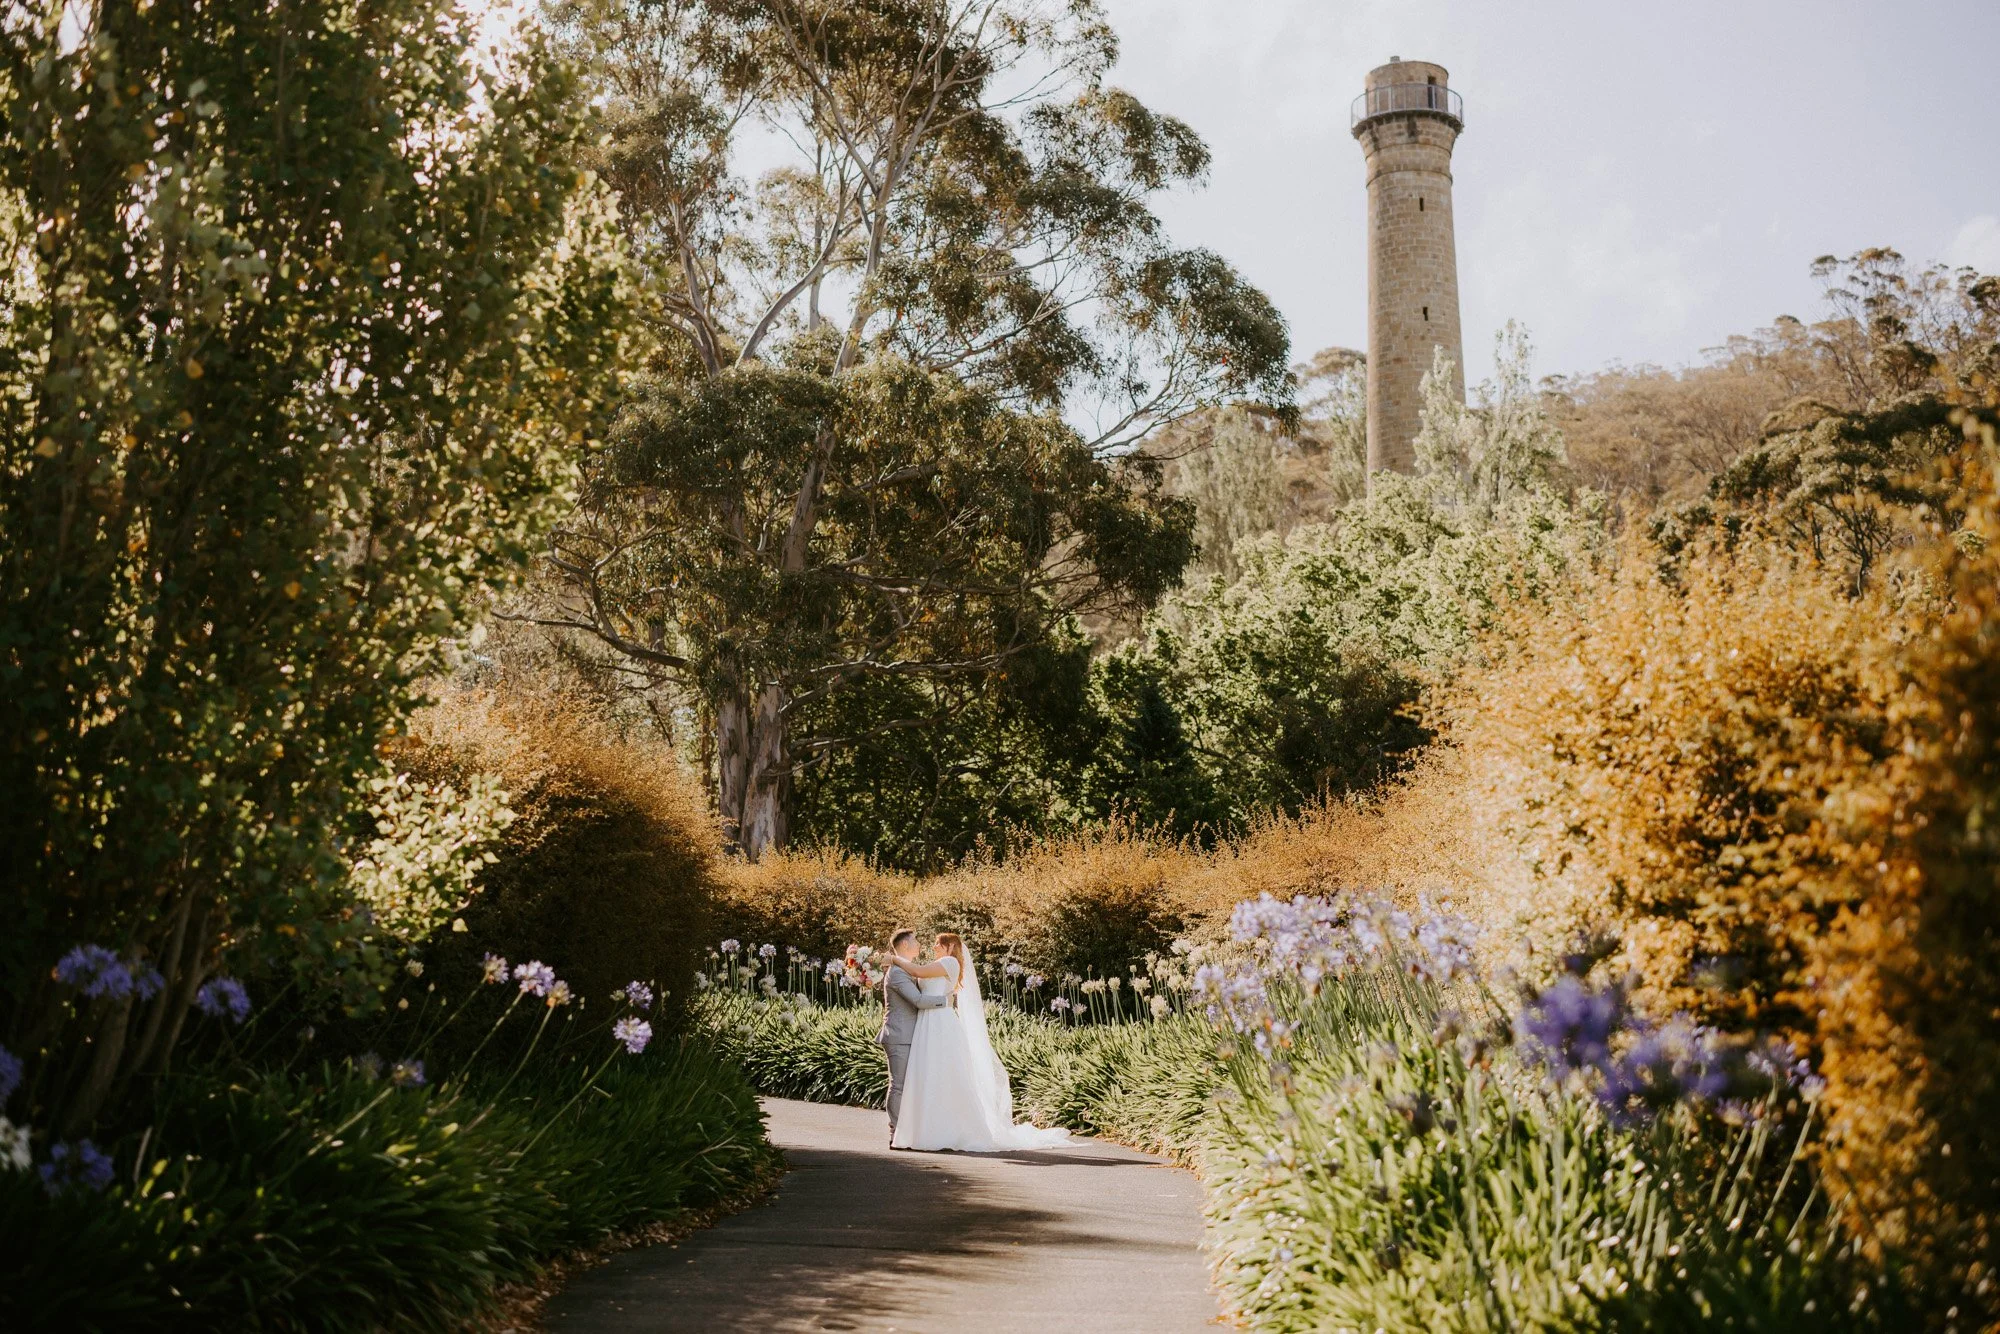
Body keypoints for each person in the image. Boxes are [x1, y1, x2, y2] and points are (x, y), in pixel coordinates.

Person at [886, 932, 1070, 1152]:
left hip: (941, 1023)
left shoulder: (949, 962)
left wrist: (892, 958)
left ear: (950, 947)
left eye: (938, 944)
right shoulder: (935, 964)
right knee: (929, 1076)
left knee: (945, 1075)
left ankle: (952, 1130)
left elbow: (917, 972)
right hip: (926, 1024)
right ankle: (928, 1129)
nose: (933, 946)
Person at [879, 928, 950, 1148]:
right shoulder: (897, 973)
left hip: (911, 1035)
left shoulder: (905, 969)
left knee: (909, 1085)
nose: (919, 944)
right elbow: (918, 1000)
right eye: (915, 941)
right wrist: (946, 1001)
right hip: (899, 1036)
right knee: (898, 1085)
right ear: (905, 945)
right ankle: (895, 1132)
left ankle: (909, 1132)